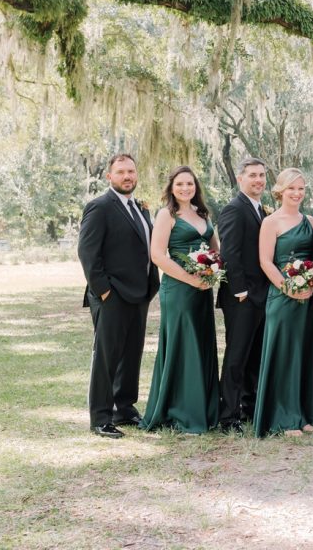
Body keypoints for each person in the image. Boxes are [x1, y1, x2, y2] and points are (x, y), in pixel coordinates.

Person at [77, 153, 160, 438]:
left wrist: (151, 286)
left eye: (132, 171)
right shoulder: (100, 207)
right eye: (121, 172)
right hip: (111, 295)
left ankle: (124, 408)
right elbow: (88, 253)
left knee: (131, 354)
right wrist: (104, 291)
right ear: (109, 176)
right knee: (107, 356)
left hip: (139, 293)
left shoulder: (140, 208)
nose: (128, 176)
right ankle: (100, 417)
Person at [141, 166, 220, 433]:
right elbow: (158, 256)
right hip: (179, 289)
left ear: (196, 187)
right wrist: (191, 278)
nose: (185, 188)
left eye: (190, 184)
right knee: (182, 345)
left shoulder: (202, 214)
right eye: (180, 184)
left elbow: (215, 249)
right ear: (171, 187)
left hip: (202, 289)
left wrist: (212, 270)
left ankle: (204, 407)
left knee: (201, 343)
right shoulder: (166, 215)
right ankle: (179, 409)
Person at [253, 168, 313, 436]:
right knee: (285, 355)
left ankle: (304, 413)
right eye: (291, 188)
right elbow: (265, 262)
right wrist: (288, 288)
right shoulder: (271, 222)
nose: (296, 193)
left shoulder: (311, 220)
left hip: (306, 297)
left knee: (304, 353)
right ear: (280, 191)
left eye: (301, 189)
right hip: (282, 297)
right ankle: (284, 417)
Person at [216, 157, 268, 435]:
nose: (258, 180)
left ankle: (247, 408)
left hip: (261, 296)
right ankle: (228, 416)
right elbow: (230, 254)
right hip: (241, 297)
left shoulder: (260, 210)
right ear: (240, 179)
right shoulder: (234, 209)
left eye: (261, 175)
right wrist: (241, 291)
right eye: (252, 175)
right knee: (236, 358)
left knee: (253, 357)